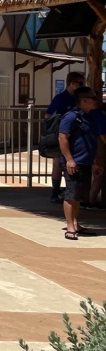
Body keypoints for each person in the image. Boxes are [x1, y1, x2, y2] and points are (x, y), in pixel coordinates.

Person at [58, 86, 106, 240]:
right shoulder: (71, 117)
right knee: (71, 195)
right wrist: (70, 160)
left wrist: (96, 161)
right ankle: (70, 226)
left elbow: (90, 141)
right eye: (93, 97)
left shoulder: (89, 116)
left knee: (78, 196)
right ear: (84, 100)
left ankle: (76, 224)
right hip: (74, 163)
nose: (96, 100)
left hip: (86, 162)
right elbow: (62, 137)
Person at [47, 72, 85, 203]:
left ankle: (70, 190)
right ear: (72, 83)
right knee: (58, 162)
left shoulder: (78, 98)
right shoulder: (60, 98)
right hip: (62, 135)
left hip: (76, 137)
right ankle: (55, 191)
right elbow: (48, 116)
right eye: (80, 83)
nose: (82, 86)